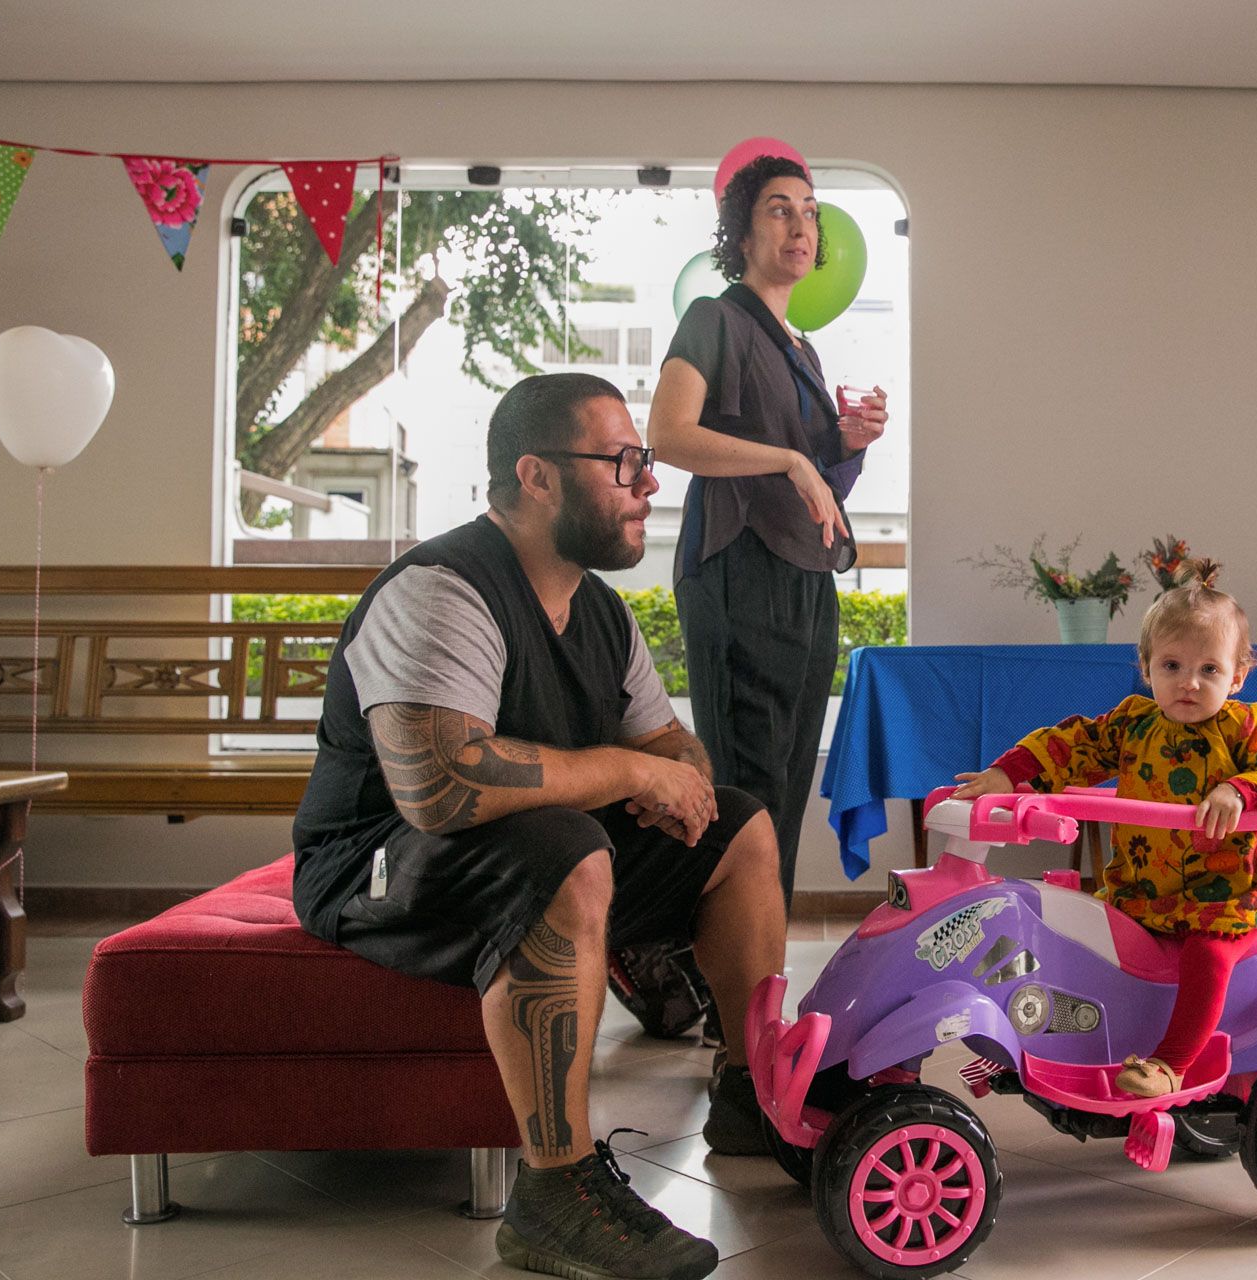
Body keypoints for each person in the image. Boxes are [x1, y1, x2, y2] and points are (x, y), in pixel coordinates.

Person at [292, 373, 785, 1280]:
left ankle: (756, 1093)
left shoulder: (595, 605)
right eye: (624, 461)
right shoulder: (442, 590)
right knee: (568, 851)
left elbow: (671, 741)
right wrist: (633, 773)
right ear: (538, 476)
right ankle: (554, 1192)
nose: (649, 483)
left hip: (535, 845)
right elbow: (441, 786)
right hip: (369, 866)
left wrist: (679, 785)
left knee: (743, 827)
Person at [951, 561, 1257, 1098]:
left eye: (1210, 670)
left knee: (1208, 956)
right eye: (1172, 665)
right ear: (1147, 668)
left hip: (1229, 892)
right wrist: (1009, 772)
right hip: (1144, 890)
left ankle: (1172, 1063)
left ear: (1237, 676)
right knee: (1077, 940)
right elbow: (1071, 743)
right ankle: (1043, 1045)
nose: (1189, 682)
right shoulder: (1132, 723)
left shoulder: (1248, 726)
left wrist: (1237, 790)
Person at [649, 154, 888, 910]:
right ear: (743, 235)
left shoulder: (804, 349)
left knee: (784, 782)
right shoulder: (713, 320)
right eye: (779, 209)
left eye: (810, 211)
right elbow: (668, 436)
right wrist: (791, 458)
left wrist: (845, 445)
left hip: (806, 576)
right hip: (735, 565)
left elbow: (821, 487)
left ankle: (763, 974)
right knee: (744, 781)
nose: (802, 224)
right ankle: (716, 975)